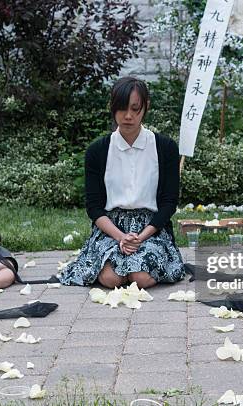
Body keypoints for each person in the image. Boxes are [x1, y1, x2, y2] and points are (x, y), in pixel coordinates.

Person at [58, 76, 186, 289]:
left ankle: (147, 264)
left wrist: (139, 237)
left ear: (146, 107)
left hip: (151, 228)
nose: (128, 116)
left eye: (135, 109)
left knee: (141, 278)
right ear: (112, 107)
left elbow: (169, 203)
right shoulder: (97, 151)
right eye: (122, 109)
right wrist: (121, 237)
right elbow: (94, 207)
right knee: (111, 279)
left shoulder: (165, 148)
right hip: (111, 228)